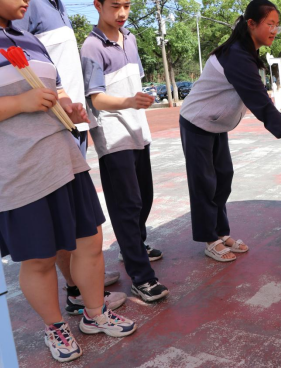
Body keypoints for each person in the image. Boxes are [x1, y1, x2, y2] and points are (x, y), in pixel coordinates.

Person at [0, 2, 136, 363]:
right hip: (17, 169)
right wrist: (18, 104)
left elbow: (56, 90)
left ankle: (95, 313)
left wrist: (69, 107)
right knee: (39, 258)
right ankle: (55, 326)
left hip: (63, 158)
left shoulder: (27, 38)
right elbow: (24, 100)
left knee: (90, 242)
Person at [179, 0, 281, 263]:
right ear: (251, 24)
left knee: (223, 176)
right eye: (269, 24)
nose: (275, 30)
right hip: (197, 122)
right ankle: (209, 239)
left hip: (216, 124)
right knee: (204, 182)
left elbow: (258, 99)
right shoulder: (238, 56)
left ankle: (220, 232)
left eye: (277, 25)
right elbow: (262, 105)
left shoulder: (248, 51)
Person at [81, 0, 169, 302]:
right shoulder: (91, 47)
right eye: (115, 5)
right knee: (127, 205)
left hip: (137, 131)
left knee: (144, 198)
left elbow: (135, 83)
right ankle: (142, 277)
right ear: (98, 5)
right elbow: (97, 99)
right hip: (113, 137)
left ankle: (136, 244)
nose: (122, 13)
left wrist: (140, 99)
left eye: (127, 5)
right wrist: (130, 101)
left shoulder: (129, 38)